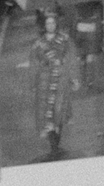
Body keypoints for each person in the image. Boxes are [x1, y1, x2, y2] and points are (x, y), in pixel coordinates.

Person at [31, 8, 78, 161]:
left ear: (56, 24)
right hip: (44, 83)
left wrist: (74, 77)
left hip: (61, 81)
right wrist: (33, 81)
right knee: (47, 114)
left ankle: (57, 144)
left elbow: (71, 58)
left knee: (60, 111)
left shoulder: (65, 39)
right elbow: (34, 63)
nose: (50, 25)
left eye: (52, 23)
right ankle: (53, 146)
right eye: (47, 23)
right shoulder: (38, 44)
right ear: (44, 25)